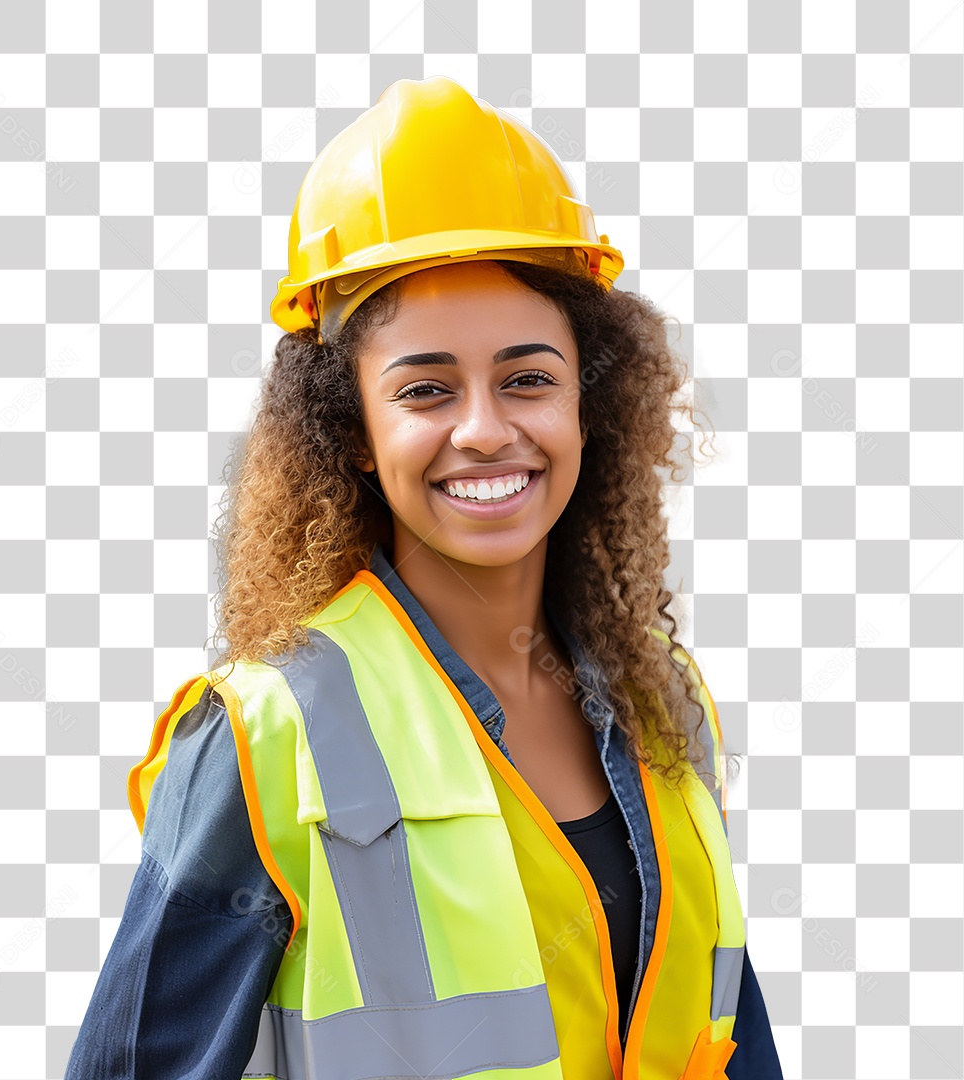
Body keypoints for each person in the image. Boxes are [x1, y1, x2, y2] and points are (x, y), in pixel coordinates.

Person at [64, 76, 784, 1079]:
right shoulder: (266, 739)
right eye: (427, 390)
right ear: (354, 431)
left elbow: (724, 1029)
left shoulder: (667, 706)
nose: (485, 429)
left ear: (589, 406)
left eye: (528, 379)